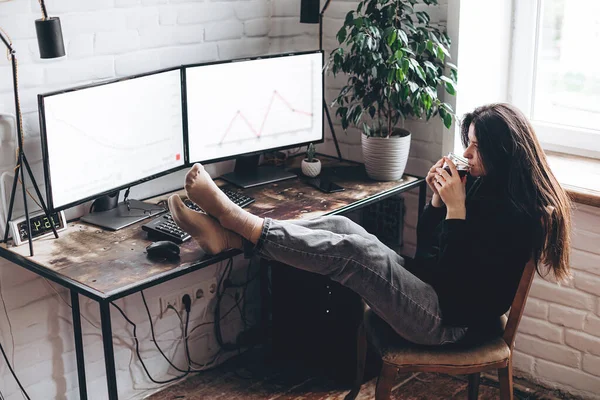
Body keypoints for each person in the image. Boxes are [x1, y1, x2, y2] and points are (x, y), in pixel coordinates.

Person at [167, 103, 572, 346]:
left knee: (355, 255)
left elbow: (455, 287)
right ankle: (229, 238)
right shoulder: (486, 188)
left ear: (504, 154)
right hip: (434, 293)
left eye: (477, 147)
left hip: (450, 324)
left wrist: (457, 212)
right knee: (344, 228)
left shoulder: (517, 217)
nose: (467, 153)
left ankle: (237, 221)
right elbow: (429, 259)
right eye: (468, 141)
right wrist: (437, 203)